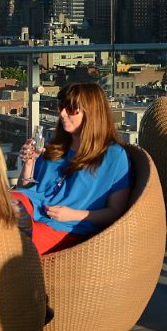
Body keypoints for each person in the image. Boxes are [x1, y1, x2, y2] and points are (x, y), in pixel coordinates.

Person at [15, 82, 131, 255]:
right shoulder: (55, 147)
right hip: (31, 209)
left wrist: (73, 215)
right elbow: (26, 188)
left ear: (91, 112)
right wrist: (29, 163)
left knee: (9, 239)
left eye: (71, 108)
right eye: (61, 106)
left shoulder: (114, 156)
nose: (62, 113)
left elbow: (116, 212)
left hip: (67, 228)